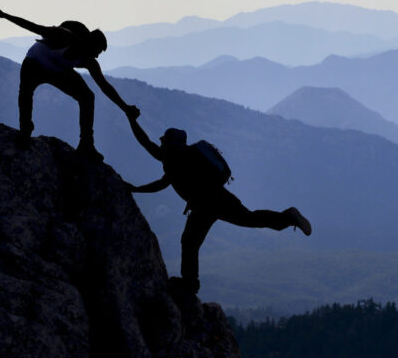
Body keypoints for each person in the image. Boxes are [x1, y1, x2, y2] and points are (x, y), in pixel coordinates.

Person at [124, 114, 312, 294]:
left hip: (206, 205)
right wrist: (136, 189)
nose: (161, 143)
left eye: (163, 140)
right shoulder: (183, 157)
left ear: (169, 143)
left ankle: (190, 284)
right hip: (217, 200)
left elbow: (146, 147)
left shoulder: (173, 158)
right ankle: (288, 217)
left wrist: (131, 119)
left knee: (190, 242)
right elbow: (163, 180)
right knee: (247, 219)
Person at [0, 3, 138, 160]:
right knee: (26, 92)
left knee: (87, 97)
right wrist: (4, 15)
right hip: (35, 63)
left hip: (58, 71)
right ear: (90, 44)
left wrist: (125, 107)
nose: (97, 56)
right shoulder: (64, 36)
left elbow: (105, 86)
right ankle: (25, 129)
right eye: (98, 51)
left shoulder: (89, 61)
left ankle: (86, 144)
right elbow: (32, 26)